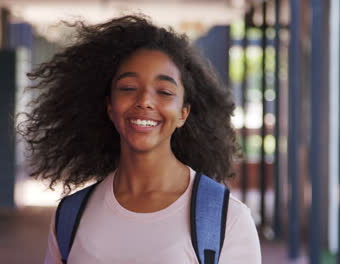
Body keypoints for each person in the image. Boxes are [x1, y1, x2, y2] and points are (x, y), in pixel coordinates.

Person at [19, 15, 261, 264]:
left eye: (164, 92)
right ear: (110, 107)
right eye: (128, 88)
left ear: (183, 113)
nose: (145, 100)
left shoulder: (227, 220)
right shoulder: (71, 216)